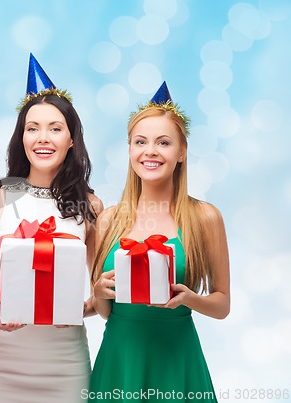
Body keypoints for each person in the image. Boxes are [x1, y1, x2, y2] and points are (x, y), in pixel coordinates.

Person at [0, 54, 103, 403]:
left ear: (72, 139)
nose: (42, 138)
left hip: (65, 362)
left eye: (55, 128)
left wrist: (82, 309)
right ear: (22, 137)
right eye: (33, 128)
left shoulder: (90, 207)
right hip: (0, 361)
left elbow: (99, 293)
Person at [89, 82, 230, 402]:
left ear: (181, 152)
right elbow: (106, 313)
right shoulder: (109, 220)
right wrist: (98, 293)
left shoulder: (205, 218)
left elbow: (222, 304)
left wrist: (188, 298)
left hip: (177, 358)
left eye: (163, 142)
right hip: (120, 360)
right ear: (129, 150)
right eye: (140, 141)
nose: (150, 151)